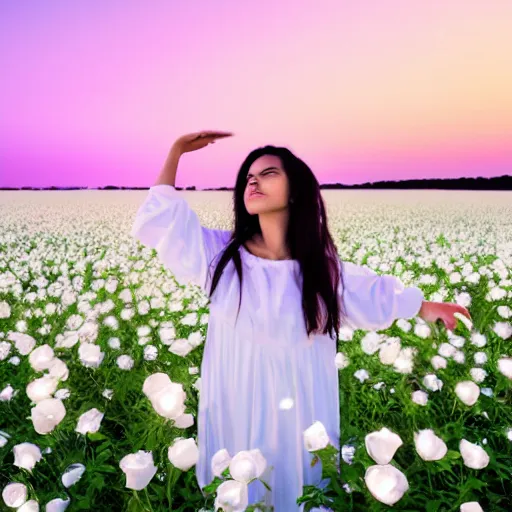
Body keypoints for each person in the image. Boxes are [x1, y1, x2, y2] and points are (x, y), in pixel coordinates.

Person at [130, 131, 428, 511]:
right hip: (236, 400)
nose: (253, 181)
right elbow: (165, 220)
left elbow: (373, 295)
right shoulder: (220, 255)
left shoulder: (321, 270)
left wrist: (422, 306)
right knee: (240, 486)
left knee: (298, 484)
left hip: (300, 408)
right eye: (248, 177)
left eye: (268, 173)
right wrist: (176, 151)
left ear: (296, 191)